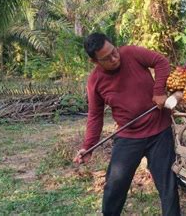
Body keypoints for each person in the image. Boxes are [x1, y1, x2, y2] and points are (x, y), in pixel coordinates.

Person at [73, 33, 180, 216]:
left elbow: (161, 62)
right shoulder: (95, 82)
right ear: (94, 61)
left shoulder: (131, 53)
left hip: (159, 131)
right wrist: (88, 146)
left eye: (114, 51)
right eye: (107, 58)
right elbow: (95, 115)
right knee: (114, 186)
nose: (115, 58)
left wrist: (159, 90)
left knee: (168, 186)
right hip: (128, 137)